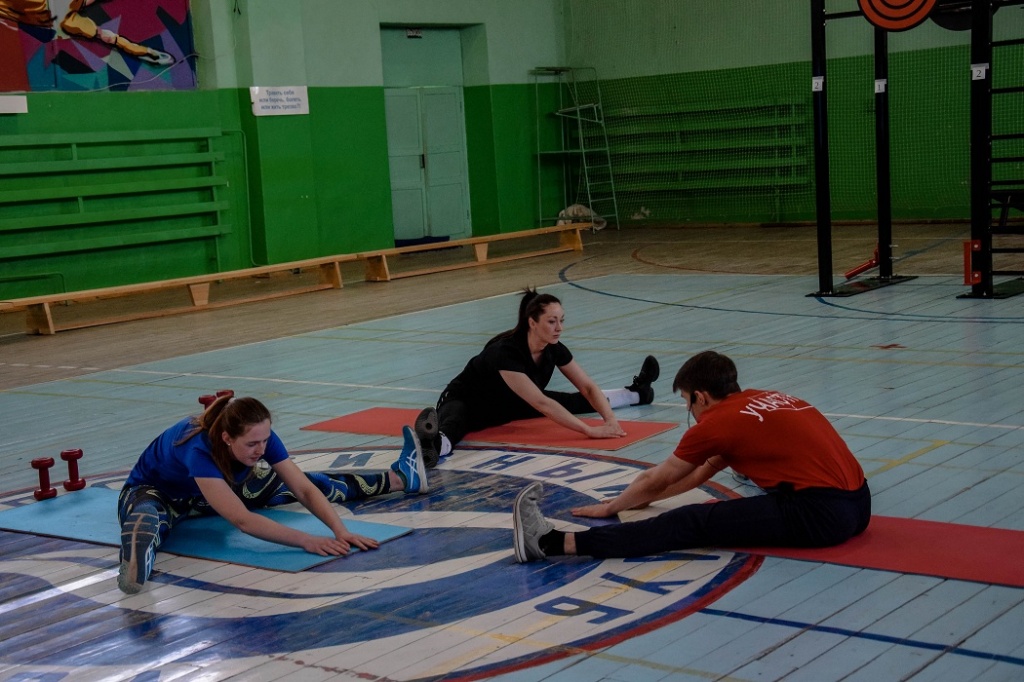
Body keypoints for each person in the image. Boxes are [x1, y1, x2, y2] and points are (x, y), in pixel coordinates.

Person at [512, 350, 871, 562]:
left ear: (701, 396)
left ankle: (552, 543)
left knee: (689, 522)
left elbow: (659, 477)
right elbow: (699, 474)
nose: (689, 410)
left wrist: (612, 508)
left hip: (822, 514)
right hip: (859, 505)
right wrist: (636, 501)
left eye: (687, 401)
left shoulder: (718, 422)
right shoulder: (767, 397)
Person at [117, 395, 428, 594]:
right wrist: (307, 540)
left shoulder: (259, 435)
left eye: (265, 441)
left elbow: (303, 489)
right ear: (226, 438)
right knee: (150, 513)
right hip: (158, 493)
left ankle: (400, 478)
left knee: (313, 483)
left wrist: (340, 530)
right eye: (252, 445)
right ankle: (137, 556)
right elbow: (243, 520)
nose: (261, 449)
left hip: (213, 492)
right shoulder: (197, 447)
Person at [412, 287, 661, 467]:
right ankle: (434, 446)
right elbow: (542, 403)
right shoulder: (506, 352)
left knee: (573, 401)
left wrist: (610, 421)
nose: (559, 328)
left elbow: (587, 387)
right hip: (468, 400)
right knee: (456, 421)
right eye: (552, 321)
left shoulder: (554, 348)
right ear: (532, 323)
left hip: (509, 405)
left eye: (561, 321)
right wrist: (589, 430)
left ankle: (638, 393)